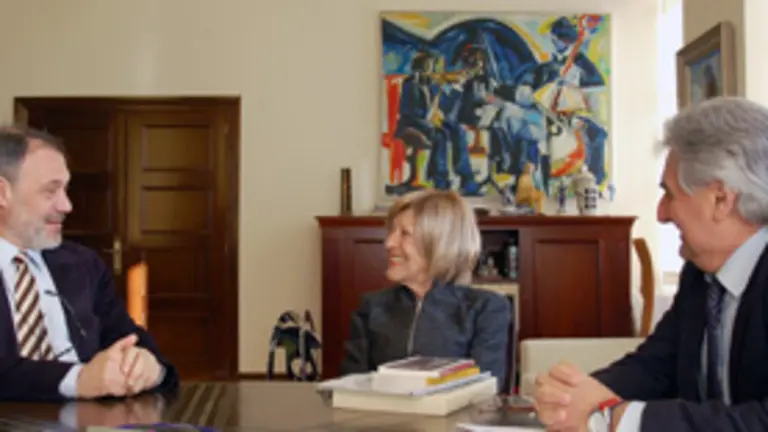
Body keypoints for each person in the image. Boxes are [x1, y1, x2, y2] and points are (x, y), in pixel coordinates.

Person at [533, 97, 768, 431]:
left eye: (670, 194)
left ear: (721, 199)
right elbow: (656, 365)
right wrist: (581, 396)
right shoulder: (700, 275)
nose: (660, 213)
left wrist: (620, 419)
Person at [0, 125, 178, 401]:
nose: (67, 205)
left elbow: (127, 336)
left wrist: (150, 367)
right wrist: (79, 380)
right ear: (2, 193)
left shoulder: (82, 263)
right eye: (51, 191)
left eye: (66, 189)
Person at [340, 189, 512, 389]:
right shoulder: (371, 307)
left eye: (404, 233)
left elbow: (484, 392)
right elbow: (351, 387)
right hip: (380, 418)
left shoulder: (486, 308)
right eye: (391, 232)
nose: (389, 243)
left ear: (439, 242)